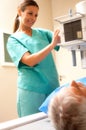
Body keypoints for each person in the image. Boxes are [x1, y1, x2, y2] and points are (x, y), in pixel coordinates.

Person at [7, 0, 61, 117]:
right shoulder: (13, 40)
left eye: (36, 15)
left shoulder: (42, 33)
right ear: (19, 12)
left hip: (52, 87)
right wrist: (51, 45)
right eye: (30, 13)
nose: (33, 18)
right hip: (31, 91)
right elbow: (30, 61)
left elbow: (62, 39)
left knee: (54, 124)